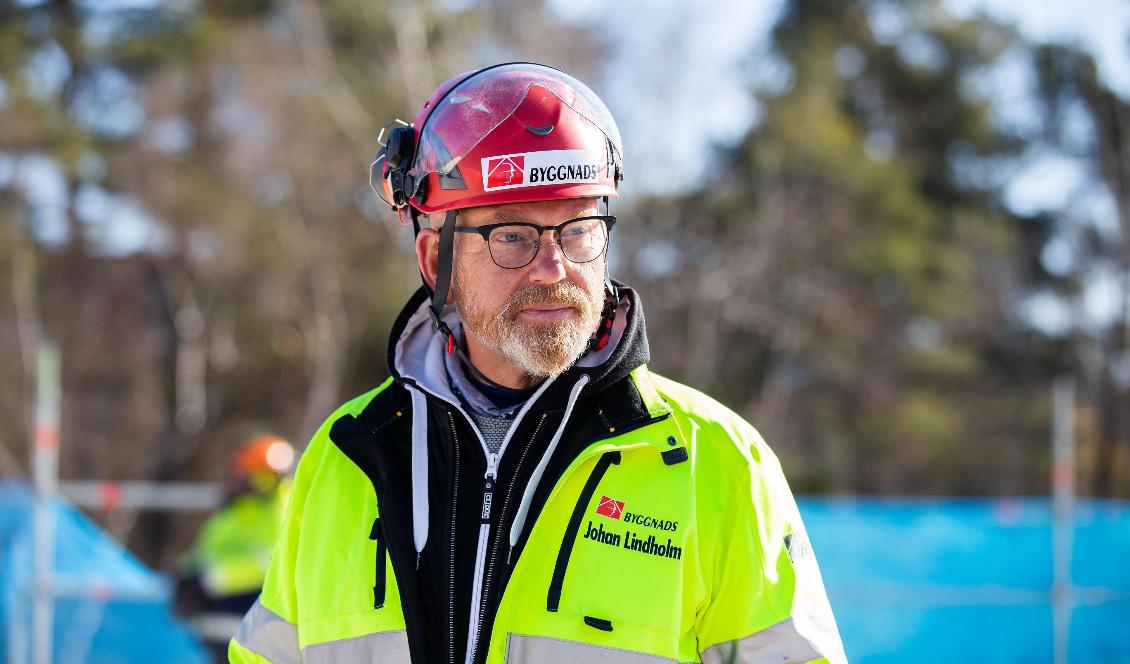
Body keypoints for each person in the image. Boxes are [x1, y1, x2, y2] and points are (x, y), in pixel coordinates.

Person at [229, 62, 846, 664]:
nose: (554, 270)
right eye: (512, 236)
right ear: (432, 258)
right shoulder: (347, 457)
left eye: (578, 230)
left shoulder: (716, 461)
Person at [177, 434, 294, 660]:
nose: (236, 478)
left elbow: (268, 562)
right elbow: (208, 553)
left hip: (252, 617)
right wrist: (186, 575)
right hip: (216, 621)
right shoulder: (231, 513)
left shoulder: (282, 511)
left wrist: (212, 580)